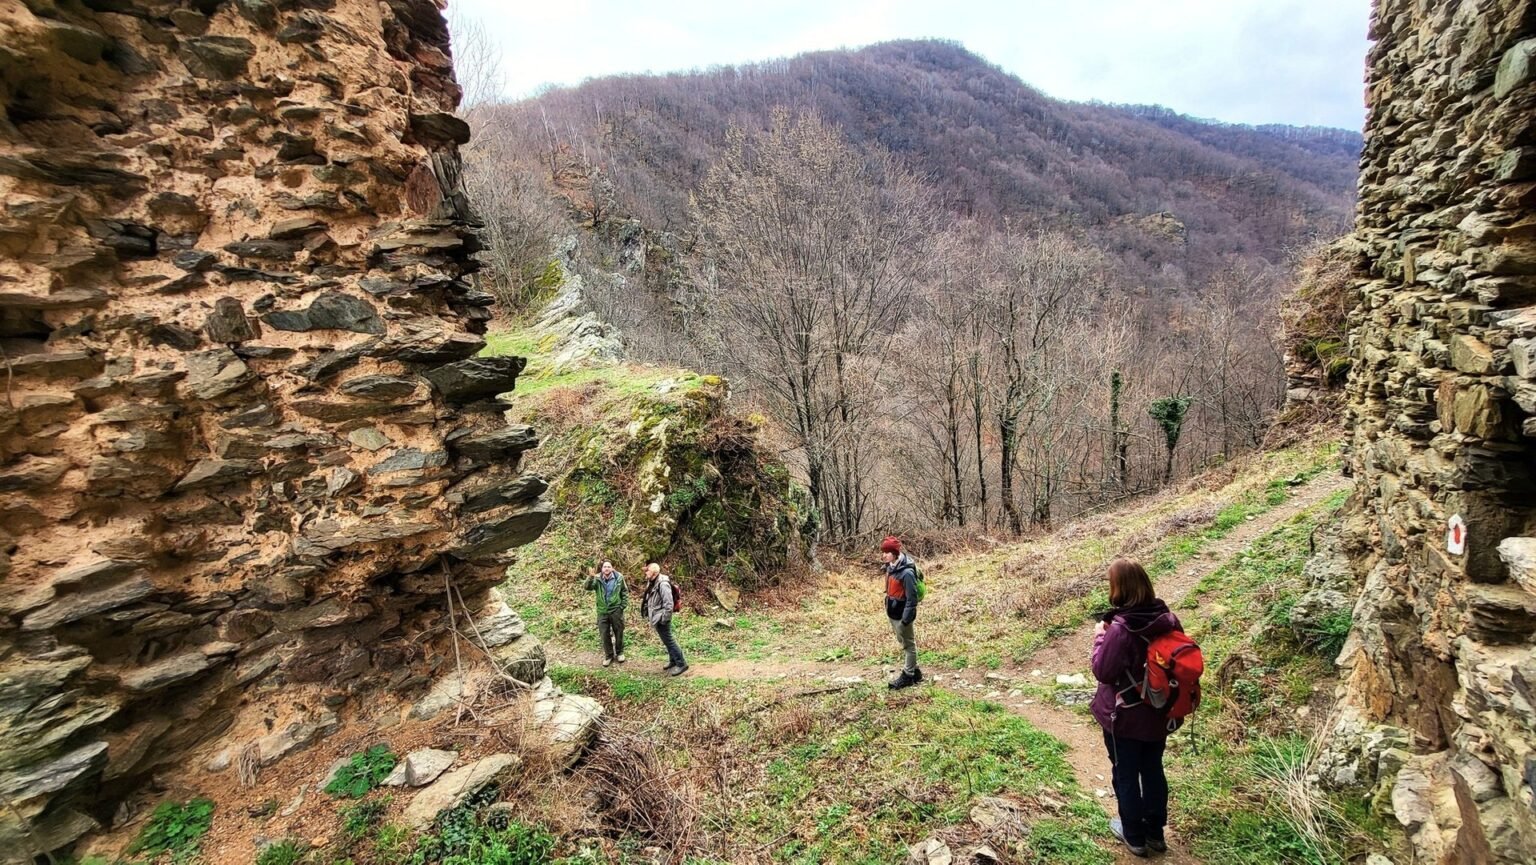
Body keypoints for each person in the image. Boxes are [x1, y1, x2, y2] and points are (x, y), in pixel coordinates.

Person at [1091, 558, 1182, 857]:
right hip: (1158, 713)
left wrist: (1099, 640)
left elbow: (1103, 672)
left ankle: (1134, 836)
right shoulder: (1167, 619)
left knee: (1126, 773)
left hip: (1125, 717)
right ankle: (1155, 833)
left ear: (1119, 589)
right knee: (1153, 769)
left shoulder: (1120, 628)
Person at [881, 536, 922, 690]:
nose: (883, 555)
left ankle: (908, 675)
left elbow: (912, 599)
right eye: (883, 552)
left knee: (909, 645)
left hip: (903, 615)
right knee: (904, 642)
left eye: (887, 552)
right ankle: (916, 671)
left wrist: (905, 620)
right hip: (893, 612)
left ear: (895, 553)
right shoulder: (891, 567)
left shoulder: (907, 573)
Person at [641, 562, 687, 676]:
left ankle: (682, 664)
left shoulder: (663, 584)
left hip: (661, 617)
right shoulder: (652, 581)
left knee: (669, 640)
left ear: (654, 573)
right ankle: (673, 661)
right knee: (666, 641)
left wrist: (664, 619)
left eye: (648, 570)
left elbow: (669, 604)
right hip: (657, 616)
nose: (646, 572)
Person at [583, 560, 627, 667]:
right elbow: (587, 587)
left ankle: (620, 653)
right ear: (602, 569)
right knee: (604, 634)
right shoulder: (597, 579)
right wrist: (591, 577)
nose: (606, 568)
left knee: (619, 632)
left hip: (616, 610)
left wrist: (622, 606)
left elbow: (624, 591)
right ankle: (609, 656)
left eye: (608, 566)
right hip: (602, 611)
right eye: (604, 567)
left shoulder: (619, 578)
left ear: (612, 568)